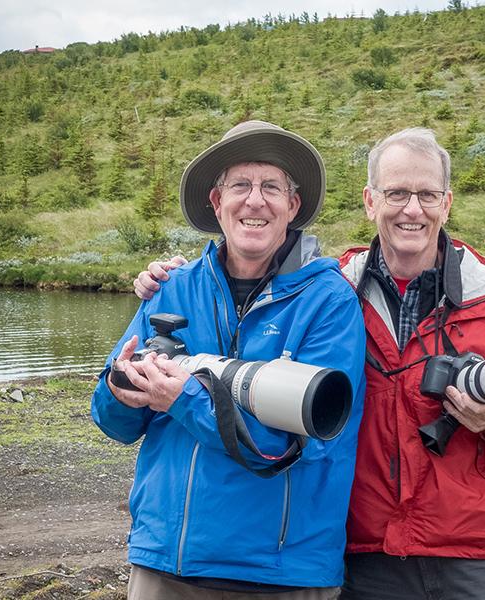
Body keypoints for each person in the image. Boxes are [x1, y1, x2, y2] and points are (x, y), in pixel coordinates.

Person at [135, 127, 485, 600]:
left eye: (427, 194)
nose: (412, 209)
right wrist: (174, 278)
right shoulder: (330, 293)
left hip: (478, 552)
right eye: (397, 193)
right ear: (370, 200)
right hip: (367, 552)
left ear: (447, 203)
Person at [94, 120, 366, 600]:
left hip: (280, 572)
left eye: (271, 188)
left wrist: (184, 397)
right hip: (165, 562)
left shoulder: (329, 301)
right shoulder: (171, 287)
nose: (255, 201)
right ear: (217, 203)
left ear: (293, 206)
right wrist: (122, 387)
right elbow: (113, 423)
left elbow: (305, 443)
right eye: (240, 185)